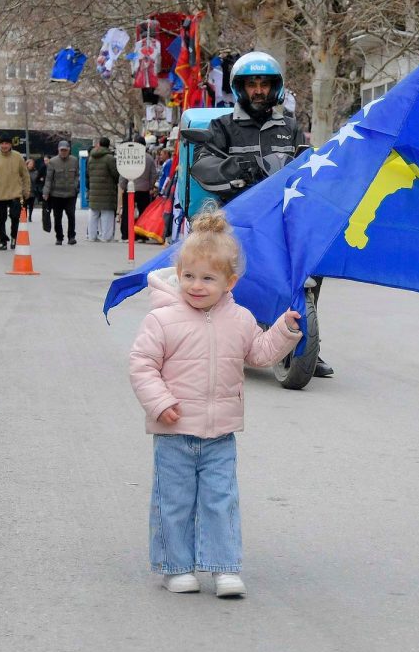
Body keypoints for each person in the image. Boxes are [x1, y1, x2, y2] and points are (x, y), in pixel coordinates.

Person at [128, 209, 302, 597]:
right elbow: (142, 365)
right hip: (174, 431)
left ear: (230, 281)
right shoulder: (162, 319)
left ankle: (223, 567)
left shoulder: (240, 319)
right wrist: (159, 402)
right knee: (173, 501)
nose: (196, 285)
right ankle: (176, 566)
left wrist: (284, 331)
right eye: (189, 276)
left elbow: (258, 354)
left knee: (220, 501)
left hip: (220, 433)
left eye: (208, 278)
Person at [197, 51, 334, 378]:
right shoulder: (222, 126)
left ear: (276, 88)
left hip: (282, 216)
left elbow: (308, 163)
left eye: (264, 84)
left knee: (313, 259)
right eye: (251, 84)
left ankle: (307, 345)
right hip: (237, 217)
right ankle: (203, 340)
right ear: (239, 89)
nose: (258, 90)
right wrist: (229, 167)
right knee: (214, 268)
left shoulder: (290, 127)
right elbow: (202, 164)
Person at [0, 133, 30, 250]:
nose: (4, 145)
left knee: (15, 217)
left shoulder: (18, 157)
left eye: (7, 143)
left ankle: (14, 237)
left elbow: (25, 175)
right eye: (2, 143)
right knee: (0, 219)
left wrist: (26, 190)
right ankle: (3, 240)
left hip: (15, 193)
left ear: (10, 145)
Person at [119, 135, 158, 241]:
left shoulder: (129, 156)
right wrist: (150, 186)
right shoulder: (149, 158)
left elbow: (123, 174)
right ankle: (141, 235)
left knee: (127, 213)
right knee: (143, 213)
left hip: (129, 189)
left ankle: (126, 235)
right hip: (144, 190)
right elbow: (154, 174)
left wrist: (123, 186)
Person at [43, 140, 80, 245]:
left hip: (70, 194)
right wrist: (46, 192)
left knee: (71, 216)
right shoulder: (53, 162)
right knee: (57, 217)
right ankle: (59, 237)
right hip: (56, 194)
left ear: (69, 150)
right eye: (62, 150)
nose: (63, 152)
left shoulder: (74, 160)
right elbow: (49, 178)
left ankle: (71, 236)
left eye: (65, 150)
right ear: (58, 150)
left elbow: (77, 175)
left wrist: (75, 185)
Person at [86, 136, 120, 242]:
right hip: (107, 190)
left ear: (99, 144)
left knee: (93, 213)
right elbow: (115, 174)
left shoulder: (91, 158)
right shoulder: (110, 158)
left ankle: (92, 236)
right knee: (107, 213)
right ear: (108, 145)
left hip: (94, 189)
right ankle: (106, 236)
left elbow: (88, 173)